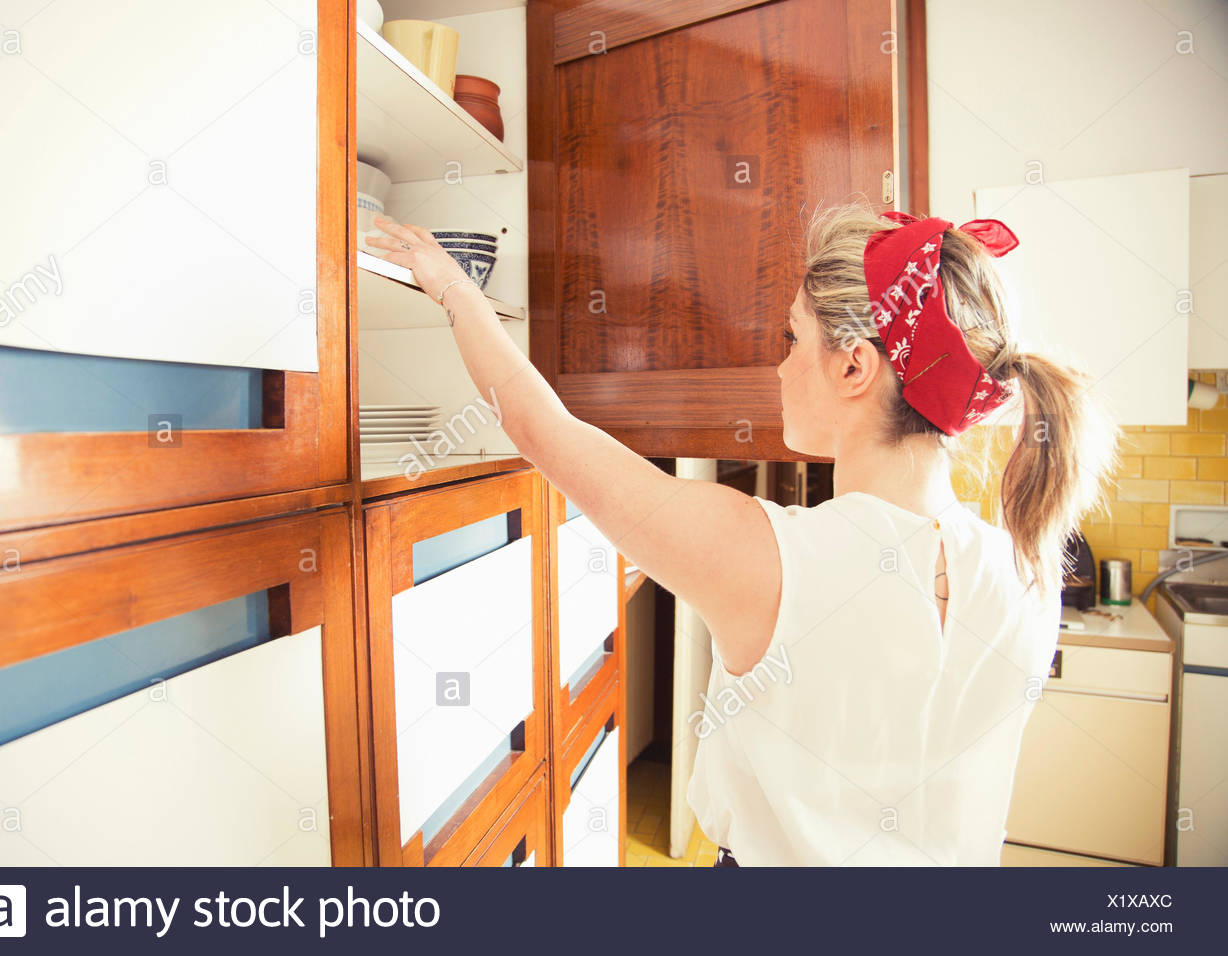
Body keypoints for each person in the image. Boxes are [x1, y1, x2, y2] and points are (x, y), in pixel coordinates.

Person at [365, 199, 1121, 867]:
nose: (780, 365)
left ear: (855, 367)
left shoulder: (772, 560)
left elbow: (539, 428)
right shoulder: (1030, 569)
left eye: (792, 338)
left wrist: (451, 284)